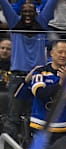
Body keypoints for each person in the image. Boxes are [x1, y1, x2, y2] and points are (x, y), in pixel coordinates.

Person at [0, 0, 58, 140]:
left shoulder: (42, 22)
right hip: (17, 78)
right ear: (20, 13)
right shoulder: (14, 22)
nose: (27, 14)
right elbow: (5, 4)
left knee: (35, 118)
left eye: (30, 11)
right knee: (13, 117)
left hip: (38, 78)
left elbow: (51, 3)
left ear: (36, 13)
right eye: (24, 11)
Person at [30, 40, 66, 143]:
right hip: (40, 125)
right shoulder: (41, 71)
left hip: (64, 126)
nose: (63, 55)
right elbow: (39, 93)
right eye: (60, 52)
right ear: (52, 53)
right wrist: (60, 84)